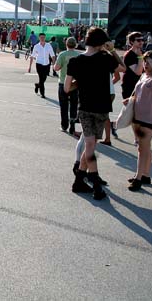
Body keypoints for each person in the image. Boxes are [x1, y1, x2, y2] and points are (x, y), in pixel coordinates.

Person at [65, 28, 125, 200]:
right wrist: (112, 50)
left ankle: (79, 180)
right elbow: (123, 69)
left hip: (84, 108)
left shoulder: (75, 61)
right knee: (91, 145)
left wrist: (81, 82)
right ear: (102, 43)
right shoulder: (105, 58)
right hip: (101, 108)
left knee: (89, 145)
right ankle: (96, 184)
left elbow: (67, 88)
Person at [127, 50, 152, 191]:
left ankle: (138, 178)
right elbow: (136, 91)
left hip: (149, 118)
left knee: (142, 148)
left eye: (148, 62)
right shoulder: (144, 75)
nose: (145, 64)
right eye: (145, 61)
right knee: (145, 147)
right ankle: (146, 175)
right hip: (137, 116)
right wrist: (130, 99)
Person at [54, 36, 81, 134]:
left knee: (64, 105)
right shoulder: (78, 55)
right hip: (74, 83)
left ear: (66, 44)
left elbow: (56, 68)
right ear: (75, 44)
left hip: (63, 82)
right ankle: (73, 124)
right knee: (74, 105)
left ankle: (64, 125)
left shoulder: (62, 54)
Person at [30, 33, 55, 99]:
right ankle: (42, 93)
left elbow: (52, 55)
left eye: (43, 37)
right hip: (39, 64)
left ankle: (37, 85)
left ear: (45, 38)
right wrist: (29, 67)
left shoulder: (48, 45)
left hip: (47, 64)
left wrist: (54, 64)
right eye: (41, 37)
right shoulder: (36, 46)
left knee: (44, 79)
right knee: (41, 79)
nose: (42, 38)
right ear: (39, 38)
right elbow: (32, 56)